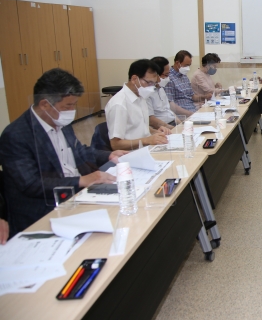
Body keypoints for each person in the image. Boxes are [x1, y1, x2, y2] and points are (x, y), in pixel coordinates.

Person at [0, 68, 126, 237]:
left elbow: (78, 150)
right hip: (44, 209)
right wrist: (82, 180)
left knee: (124, 212)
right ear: (45, 104)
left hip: (77, 195)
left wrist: (108, 155)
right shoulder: (16, 135)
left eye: (74, 104)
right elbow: (31, 184)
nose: (72, 110)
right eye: (68, 106)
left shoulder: (59, 120)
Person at [105, 59, 169, 150]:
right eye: (149, 82)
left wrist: (156, 132)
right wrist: (147, 140)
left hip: (147, 148)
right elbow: (116, 144)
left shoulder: (141, 96)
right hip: (131, 154)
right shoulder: (119, 104)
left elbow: (139, 127)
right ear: (134, 79)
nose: (152, 87)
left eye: (154, 83)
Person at [164, 50, 202, 116]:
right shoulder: (169, 78)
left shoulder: (184, 75)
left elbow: (192, 96)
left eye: (189, 65)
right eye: (186, 65)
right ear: (177, 63)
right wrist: (191, 114)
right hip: (183, 115)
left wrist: (204, 97)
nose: (188, 68)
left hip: (193, 109)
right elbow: (171, 105)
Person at [147, 56, 178, 130]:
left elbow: (169, 110)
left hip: (172, 123)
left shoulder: (161, 88)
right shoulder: (147, 93)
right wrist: (172, 129)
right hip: (162, 127)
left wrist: (181, 125)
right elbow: (151, 120)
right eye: (166, 75)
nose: (168, 78)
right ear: (156, 74)